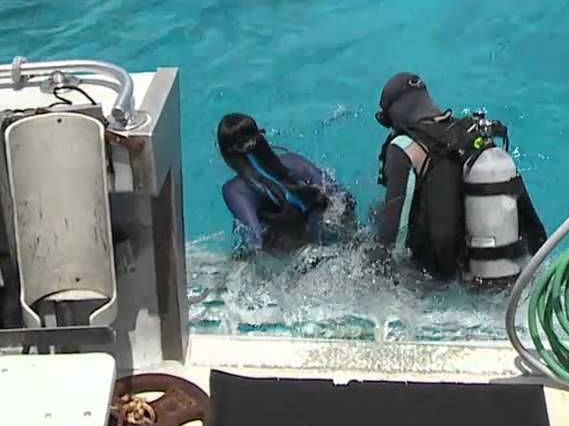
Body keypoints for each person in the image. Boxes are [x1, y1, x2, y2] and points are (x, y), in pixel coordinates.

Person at [370, 72, 547, 282]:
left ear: (394, 113)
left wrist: (375, 271)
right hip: (490, 266)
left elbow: (394, 231)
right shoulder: (469, 134)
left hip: (433, 282)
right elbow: (527, 214)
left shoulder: (404, 147)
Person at [217, 113, 355, 256]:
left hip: (288, 252)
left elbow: (256, 240)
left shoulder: (234, 190)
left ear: (226, 154)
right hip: (323, 236)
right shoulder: (293, 161)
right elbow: (342, 196)